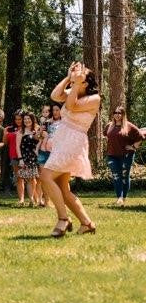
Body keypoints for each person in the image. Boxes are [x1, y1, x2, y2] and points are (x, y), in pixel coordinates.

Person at [41, 62, 100, 237]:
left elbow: (73, 106)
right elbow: (54, 95)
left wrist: (76, 83)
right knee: (62, 188)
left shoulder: (95, 98)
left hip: (74, 141)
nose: (76, 76)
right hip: (61, 140)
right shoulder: (71, 91)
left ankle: (63, 219)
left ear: (86, 83)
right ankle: (87, 223)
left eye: (81, 76)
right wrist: (68, 78)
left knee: (45, 176)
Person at [103, 106, 145, 205]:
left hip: (126, 155)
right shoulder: (109, 125)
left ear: (123, 115)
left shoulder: (129, 126)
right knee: (116, 176)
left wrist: (133, 147)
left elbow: (140, 137)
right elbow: (106, 135)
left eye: (119, 113)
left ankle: (123, 197)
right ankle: (119, 198)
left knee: (124, 176)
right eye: (115, 112)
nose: (117, 115)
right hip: (112, 155)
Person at [37, 103, 61, 206]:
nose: (55, 112)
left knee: (59, 178)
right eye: (53, 110)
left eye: (57, 110)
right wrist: (40, 132)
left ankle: (61, 201)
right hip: (43, 152)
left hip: (57, 153)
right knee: (44, 177)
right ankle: (46, 202)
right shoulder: (46, 123)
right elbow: (38, 137)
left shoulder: (64, 123)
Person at [16, 112, 40, 206]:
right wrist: (20, 159)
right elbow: (17, 147)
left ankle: (37, 199)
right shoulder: (21, 131)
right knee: (29, 179)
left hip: (36, 157)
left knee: (36, 179)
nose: (26, 121)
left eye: (28, 119)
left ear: (32, 119)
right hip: (26, 157)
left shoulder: (37, 129)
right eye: (25, 119)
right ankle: (31, 200)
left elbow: (41, 139)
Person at [3, 110, 25, 204]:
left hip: (27, 156)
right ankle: (21, 199)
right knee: (19, 177)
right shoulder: (10, 129)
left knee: (31, 178)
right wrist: (5, 133)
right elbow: (5, 143)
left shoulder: (28, 127)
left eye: (20, 119)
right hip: (14, 155)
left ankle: (35, 199)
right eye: (16, 119)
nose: (18, 121)